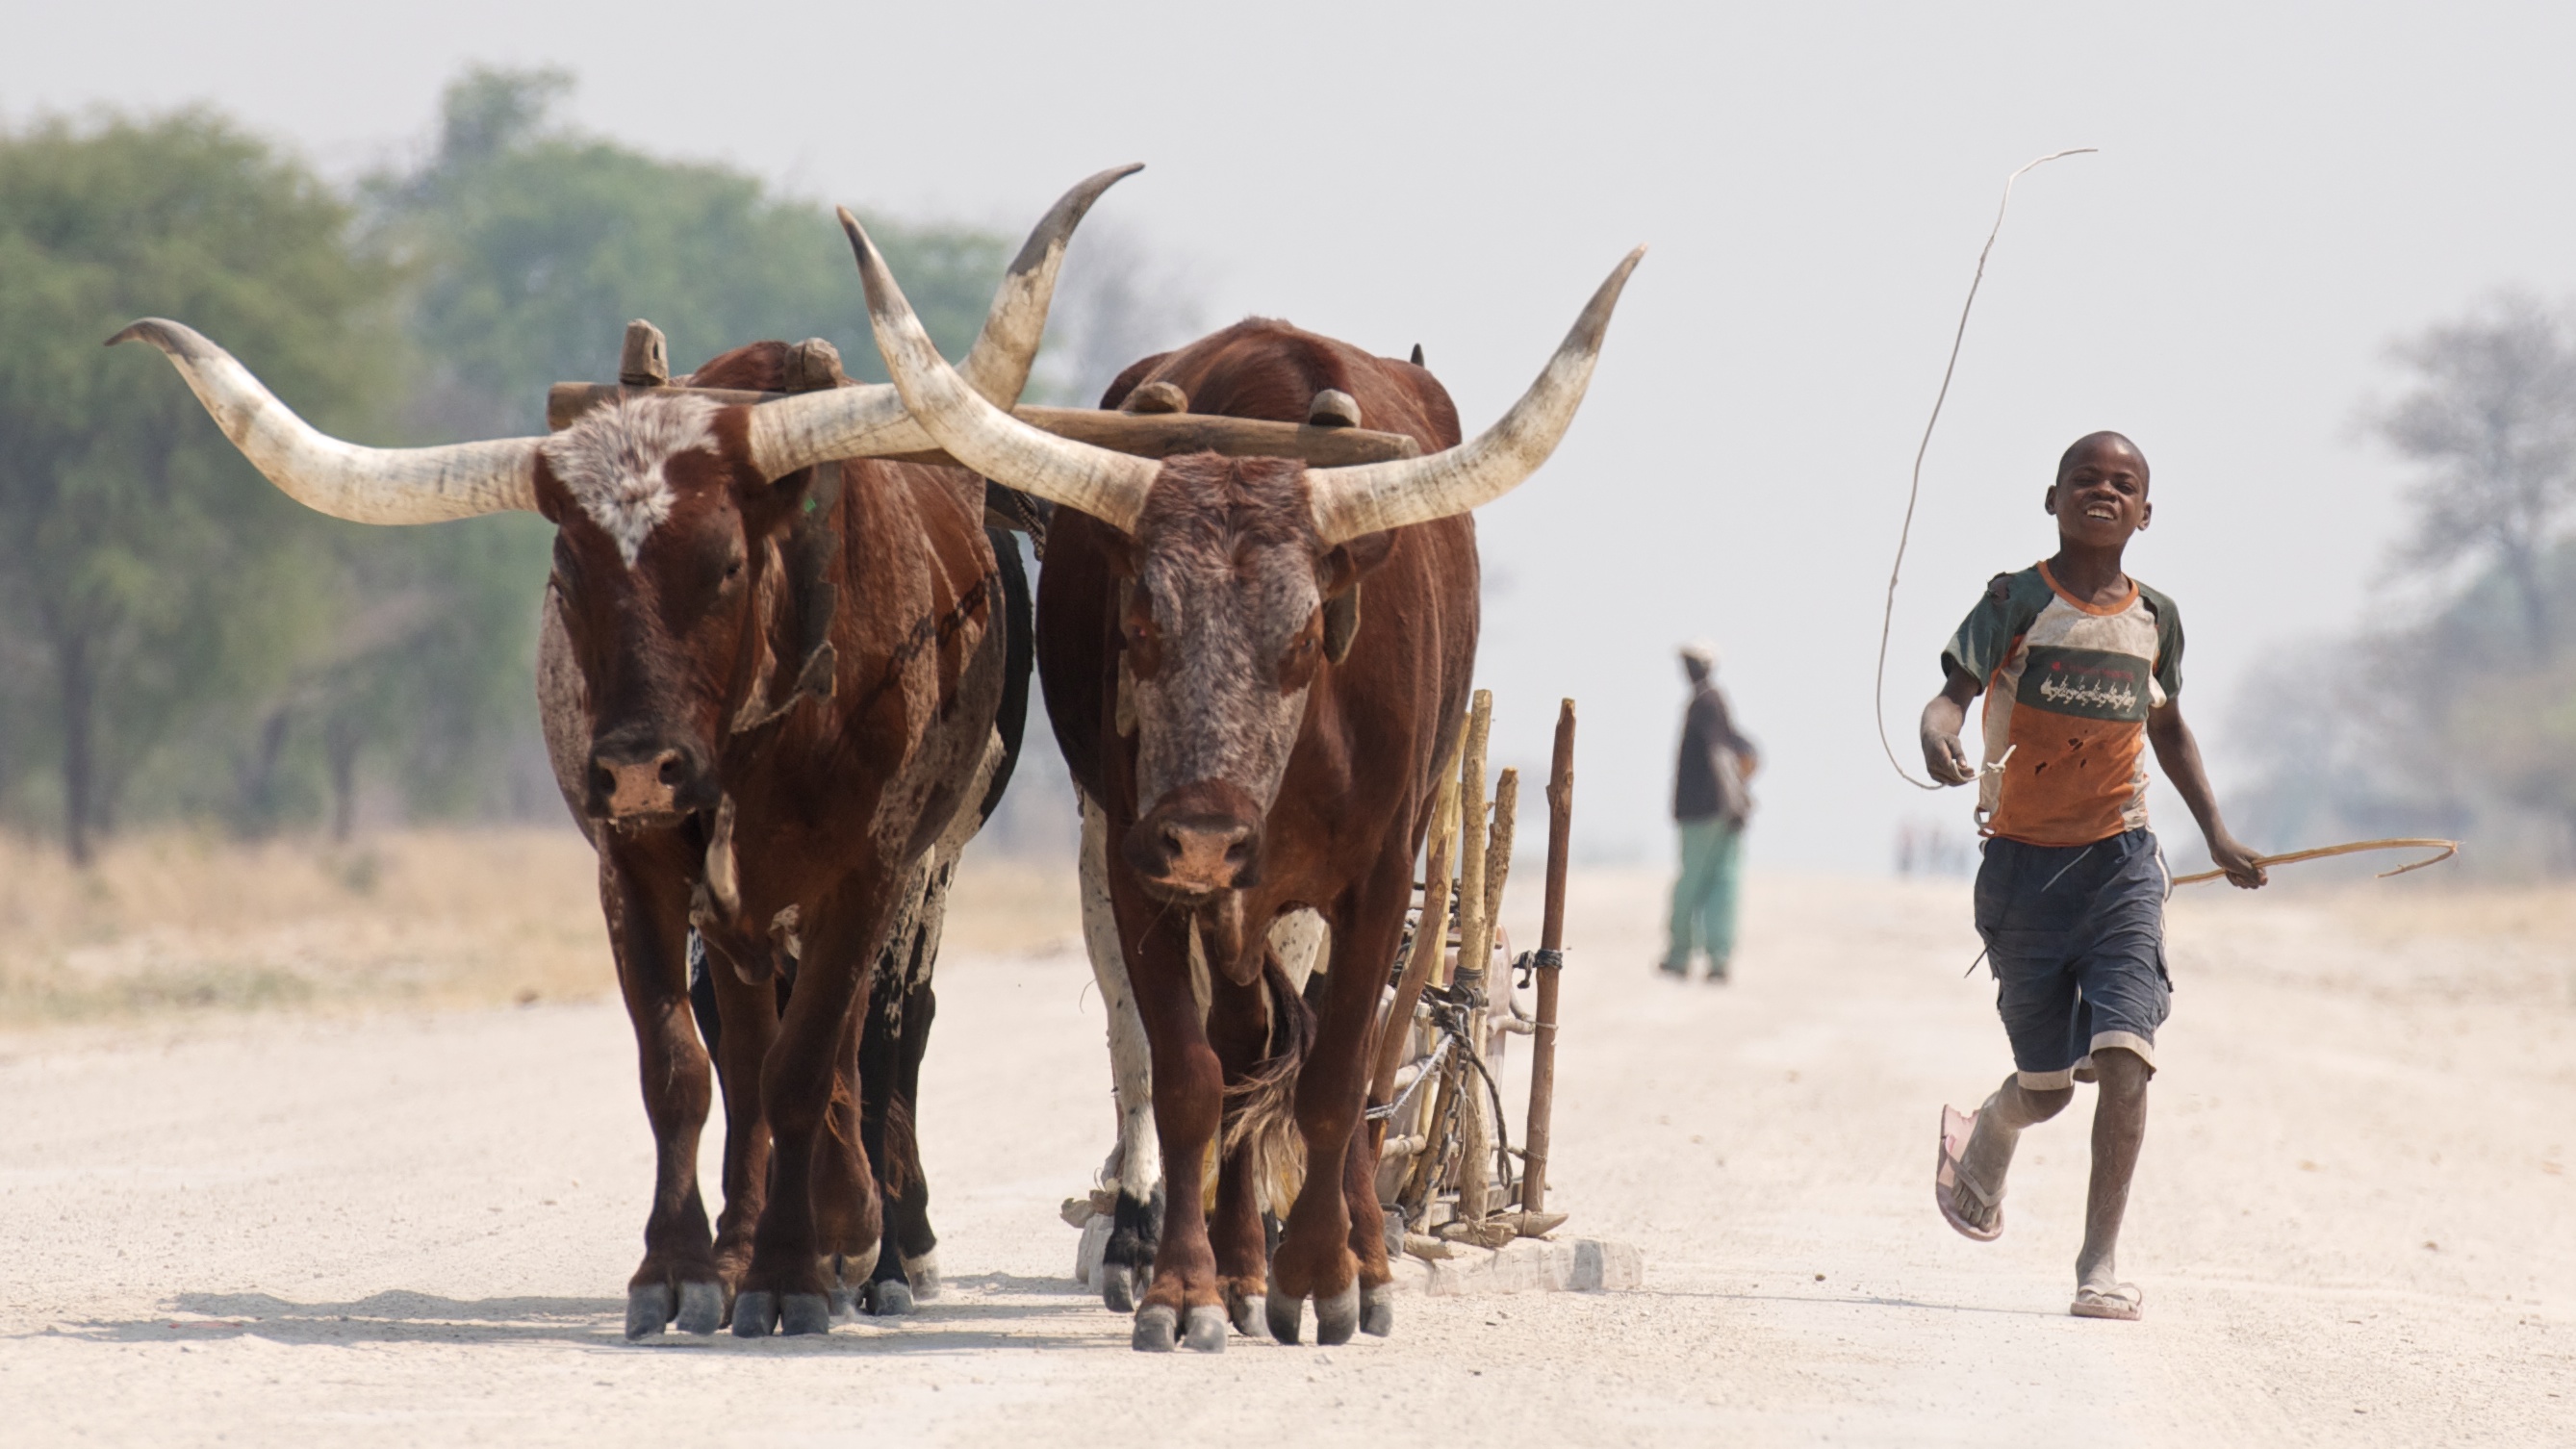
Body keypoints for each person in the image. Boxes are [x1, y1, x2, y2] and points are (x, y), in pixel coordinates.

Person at [1920, 431, 2266, 1322]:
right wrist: (1937, 729)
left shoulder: (2157, 616)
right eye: (2085, 480)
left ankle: (2096, 1265)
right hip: (2020, 872)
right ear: (2053, 499)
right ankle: (1991, 1128)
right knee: (2044, 1089)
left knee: (2125, 1056)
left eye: (2123, 484)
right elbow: (1950, 697)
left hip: (2120, 864)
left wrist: (2217, 835)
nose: (2102, 493)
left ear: (2145, 513)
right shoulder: (2014, 601)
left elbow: (2168, 728)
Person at [1663, 641, 1756, 982]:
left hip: (1705, 810)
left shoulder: (1706, 703)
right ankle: (1716, 959)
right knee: (1721, 881)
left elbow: (1721, 755)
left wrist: (1735, 802)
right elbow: (1737, 746)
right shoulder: (1711, 701)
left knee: (1697, 882)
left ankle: (1681, 955)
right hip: (1718, 809)